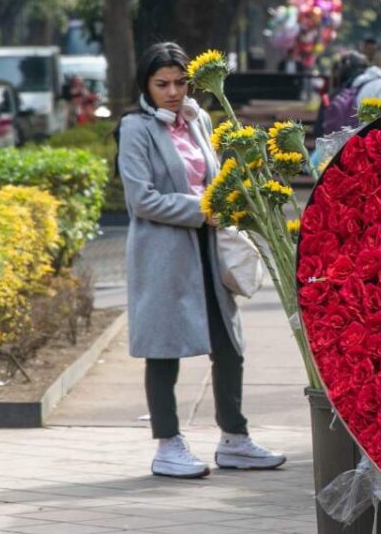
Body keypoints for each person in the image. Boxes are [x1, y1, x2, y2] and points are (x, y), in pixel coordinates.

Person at [116, 42, 286, 479]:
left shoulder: (198, 118)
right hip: (163, 257)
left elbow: (212, 178)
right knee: (163, 351)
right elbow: (141, 199)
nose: (172, 91)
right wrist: (202, 210)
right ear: (146, 86)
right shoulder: (135, 128)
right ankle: (168, 445)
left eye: (179, 82)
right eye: (162, 84)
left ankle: (234, 438)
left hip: (209, 252)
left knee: (229, 346)